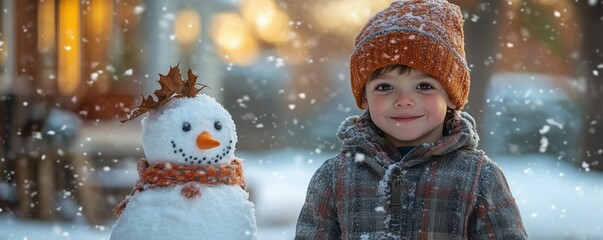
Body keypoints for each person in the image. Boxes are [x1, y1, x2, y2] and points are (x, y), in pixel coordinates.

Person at [294, 0, 528, 239]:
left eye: (424, 86)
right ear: (364, 97)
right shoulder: (336, 177)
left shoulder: (478, 177)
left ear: (451, 96)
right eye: (385, 86)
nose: (404, 100)